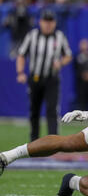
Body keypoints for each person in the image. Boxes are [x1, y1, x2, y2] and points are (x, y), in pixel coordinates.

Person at [16, 9, 72, 141]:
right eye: (45, 21)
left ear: (54, 23)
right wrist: (20, 72)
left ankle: (53, 141)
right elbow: (21, 54)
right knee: (34, 110)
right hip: (35, 78)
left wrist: (61, 63)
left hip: (52, 79)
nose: (48, 24)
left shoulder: (59, 36)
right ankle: (34, 140)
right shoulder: (32, 35)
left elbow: (68, 55)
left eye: (50, 21)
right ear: (40, 22)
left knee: (52, 110)